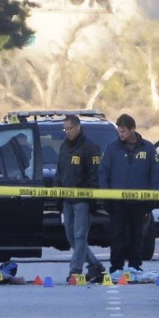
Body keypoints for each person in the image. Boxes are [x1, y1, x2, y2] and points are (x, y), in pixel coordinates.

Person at [98, 113, 159, 274]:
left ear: (133, 129)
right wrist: (106, 198)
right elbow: (104, 173)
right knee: (117, 236)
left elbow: (155, 175)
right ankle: (116, 267)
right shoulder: (112, 148)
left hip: (139, 202)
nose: (121, 135)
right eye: (119, 131)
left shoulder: (148, 148)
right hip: (117, 202)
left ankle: (135, 266)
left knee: (137, 235)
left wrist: (152, 200)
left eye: (124, 131)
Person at [54, 115, 106, 283]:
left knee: (79, 236)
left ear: (78, 127)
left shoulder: (89, 147)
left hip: (83, 200)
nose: (67, 132)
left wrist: (93, 199)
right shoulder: (64, 146)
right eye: (65, 129)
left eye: (69, 128)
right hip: (67, 199)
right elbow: (59, 172)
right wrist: (57, 195)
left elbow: (94, 175)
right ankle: (95, 264)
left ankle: (75, 270)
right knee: (70, 236)